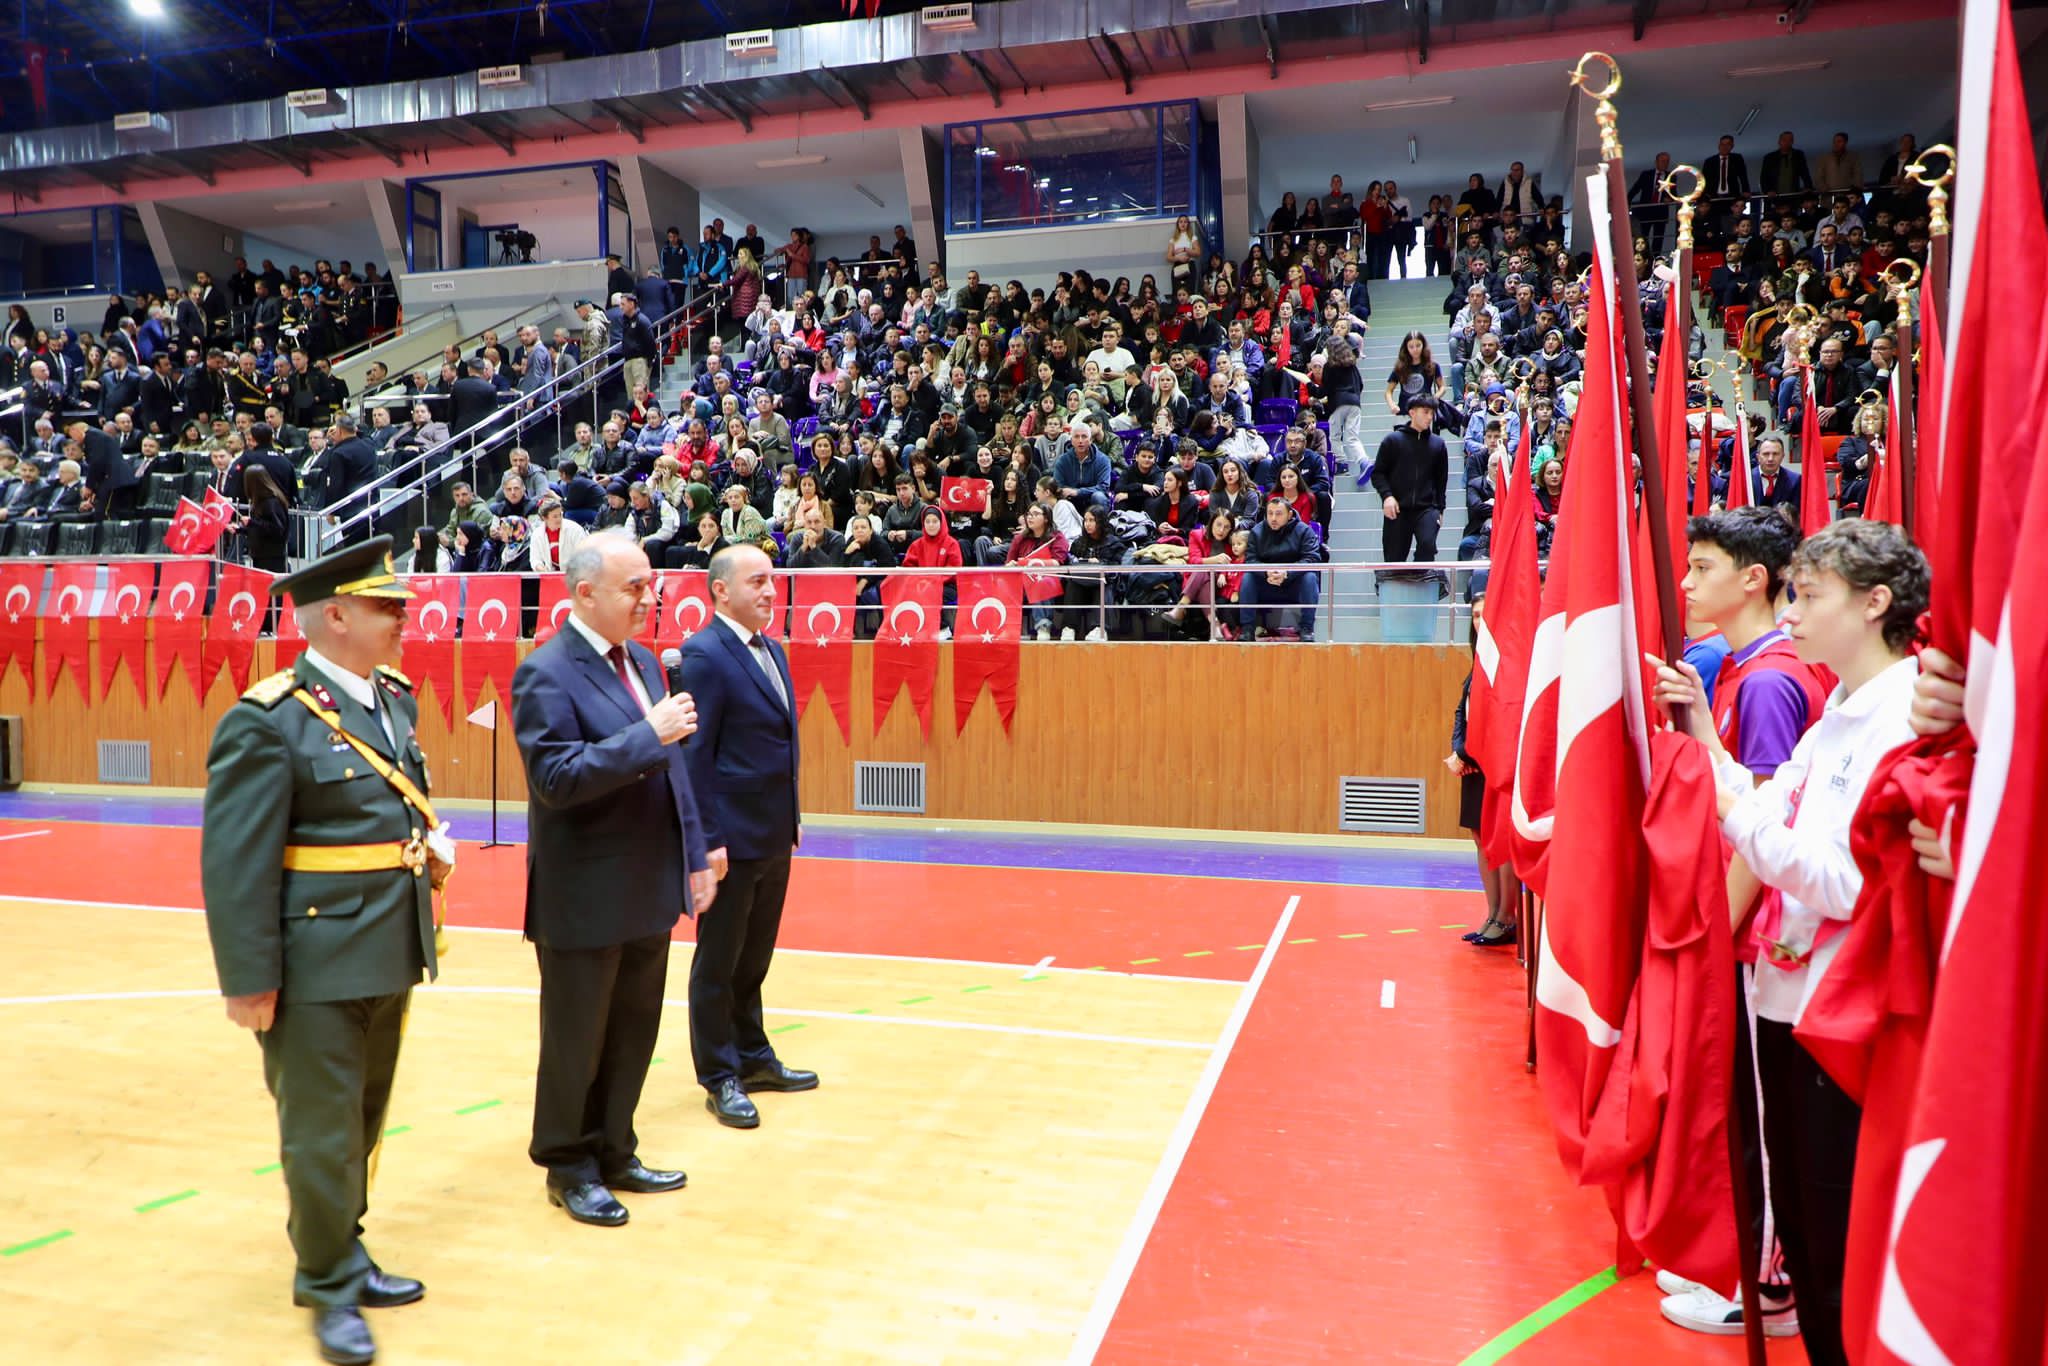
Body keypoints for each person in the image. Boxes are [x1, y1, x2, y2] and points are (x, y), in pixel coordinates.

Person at [1650, 518, 1931, 1366]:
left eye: (1811, 595)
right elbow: (1776, 809)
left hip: (1840, 1017)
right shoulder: (1837, 709)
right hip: (1786, 995)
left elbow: (1845, 880)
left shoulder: (1899, 718)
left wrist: (1736, 813)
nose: (1793, 611)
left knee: (1835, 1228)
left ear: (1876, 603)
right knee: (1804, 1229)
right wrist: (1706, 740)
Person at [200, 538, 451, 1366]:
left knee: (365, 1121)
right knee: (320, 1131)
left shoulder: (393, 699)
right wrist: (249, 979)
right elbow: (236, 862)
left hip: (388, 945)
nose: (404, 618)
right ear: (335, 615)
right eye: (388, 607)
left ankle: (348, 1246)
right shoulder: (266, 720)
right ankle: (327, 1284)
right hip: (314, 961)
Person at [511, 530, 715, 1228]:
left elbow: (673, 768)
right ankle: (568, 1165)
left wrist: (695, 854)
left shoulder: (646, 666)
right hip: (584, 892)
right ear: (585, 593)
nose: (649, 598)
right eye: (635, 587)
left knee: (633, 1031)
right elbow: (556, 779)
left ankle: (616, 1149)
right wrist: (644, 736)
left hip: (647, 881)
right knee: (576, 1040)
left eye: (650, 584)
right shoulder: (545, 673)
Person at [678, 544, 815, 1129]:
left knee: (753, 958)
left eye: (772, 580)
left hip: (772, 832)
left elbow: (780, 743)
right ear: (720, 590)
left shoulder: (772, 649)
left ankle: (754, 1057)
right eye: (756, 581)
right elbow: (696, 756)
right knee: (718, 962)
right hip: (730, 839)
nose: (769, 590)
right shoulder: (704, 655)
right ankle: (719, 1074)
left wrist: (793, 812)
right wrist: (707, 839)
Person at [1449, 588, 1516, 946]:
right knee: (1480, 840)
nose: (1480, 621)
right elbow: (1464, 711)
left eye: (1485, 614)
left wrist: (1468, 753)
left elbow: (1500, 717)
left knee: (1498, 840)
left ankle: (1507, 918)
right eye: (1475, 616)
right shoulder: (1477, 662)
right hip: (1473, 762)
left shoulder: (1506, 659)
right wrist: (1458, 749)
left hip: (1494, 763)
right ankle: (1491, 914)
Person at [1372, 394, 1451, 564]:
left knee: (1427, 545)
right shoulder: (1392, 440)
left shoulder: (1438, 444)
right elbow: (1378, 473)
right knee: (1394, 557)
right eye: (1426, 412)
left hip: (1427, 508)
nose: (1430, 417)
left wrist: (1440, 509)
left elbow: (1441, 480)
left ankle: (1421, 582)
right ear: (1412, 413)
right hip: (1398, 507)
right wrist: (1387, 496)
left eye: (1432, 413)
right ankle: (1391, 587)